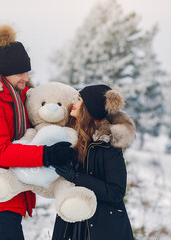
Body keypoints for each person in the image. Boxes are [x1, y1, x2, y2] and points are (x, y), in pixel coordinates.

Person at [0, 25, 76, 240]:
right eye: (20, 72)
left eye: (28, 71)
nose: (26, 77)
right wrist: (46, 155)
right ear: (5, 71)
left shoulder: (20, 98)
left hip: (14, 190)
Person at [52, 84, 135, 240]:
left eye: (79, 99)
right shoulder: (70, 136)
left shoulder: (107, 145)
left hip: (101, 227)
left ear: (90, 107)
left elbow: (116, 191)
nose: (73, 102)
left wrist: (76, 177)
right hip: (71, 222)